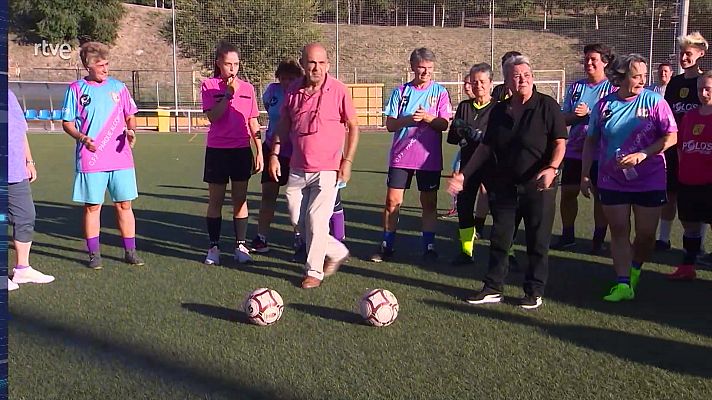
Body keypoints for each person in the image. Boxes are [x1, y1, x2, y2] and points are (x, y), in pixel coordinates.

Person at [449, 55, 567, 309]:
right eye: (516, 76)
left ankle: (534, 291)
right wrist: (463, 174)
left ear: (532, 77)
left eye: (526, 74)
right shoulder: (501, 110)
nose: (522, 79)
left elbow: (560, 143)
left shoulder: (547, 106)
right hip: (505, 187)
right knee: (500, 239)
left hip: (539, 187)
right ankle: (493, 288)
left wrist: (552, 168)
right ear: (508, 81)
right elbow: (484, 147)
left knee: (537, 241)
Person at [581, 54, 677, 302]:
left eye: (644, 75)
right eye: (636, 76)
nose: (642, 81)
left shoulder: (655, 101)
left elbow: (671, 137)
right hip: (611, 179)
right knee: (620, 229)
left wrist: (642, 154)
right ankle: (623, 282)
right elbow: (591, 141)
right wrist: (584, 174)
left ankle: (635, 268)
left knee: (646, 234)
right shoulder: (604, 106)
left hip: (650, 178)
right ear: (621, 77)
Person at [269, 43, 359, 289]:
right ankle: (337, 250)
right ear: (303, 65)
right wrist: (275, 154)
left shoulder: (339, 90)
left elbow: (353, 126)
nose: (316, 68)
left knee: (316, 220)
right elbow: (284, 124)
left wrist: (347, 161)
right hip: (298, 168)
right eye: (311, 63)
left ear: (328, 64)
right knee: (298, 220)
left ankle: (314, 271)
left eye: (321, 63)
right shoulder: (294, 91)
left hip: (327, 168)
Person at [61, 41, 144, 269]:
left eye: (107, 64)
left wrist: (131, 131)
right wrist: (82, 138)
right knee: (92, 207)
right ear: (88, 66)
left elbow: (131, 115)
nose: (106, 69)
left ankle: (130, 251)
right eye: (100, 65)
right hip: (92, 158)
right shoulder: (76, 89)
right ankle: (94, 254)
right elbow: (67, 122)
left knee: (124, 205)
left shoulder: (119, 87)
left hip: (120, 157)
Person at [370, 48, 451, 263]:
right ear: (413, 67)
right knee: (392, 202)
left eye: (430, 68)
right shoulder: (400, 92)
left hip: (428, 158)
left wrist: (427, 117)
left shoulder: (440, 93)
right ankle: (387, 244)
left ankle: (429, 245)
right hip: (401, 157)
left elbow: (443, 124)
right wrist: (409, 120)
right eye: (422, 67)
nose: (426, 72)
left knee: (429, 203)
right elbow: (390, 125)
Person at [200, 41, 263, 265]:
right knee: (215, 200)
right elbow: (213, 117)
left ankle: (240, 245)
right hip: (217, 151)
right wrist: (227, 95)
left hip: (241, 151)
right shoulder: (208, 85)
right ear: (219, 63)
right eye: (228, 64)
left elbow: (253, 122)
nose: (233, 69)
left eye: (236, 64)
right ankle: (214, 247)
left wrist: (260, 152)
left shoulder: (248, 88)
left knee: (240, 199)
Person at [553, 43, 615, 254]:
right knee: (568, 192)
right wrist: (576, 116)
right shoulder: (576, 88)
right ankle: (567, 235)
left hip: (601, 151)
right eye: (586, 59)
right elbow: (563, 118)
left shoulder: (612, 89)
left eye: (593, 59)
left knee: (599, 195)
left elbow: (615, 119)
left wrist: (592, 115)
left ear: (605, 63)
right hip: (575, 149)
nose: (588, 63)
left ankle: (598, 239)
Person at [658, 32, 708, 251]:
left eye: (688, 53)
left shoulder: (705, 82)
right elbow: (667, 114)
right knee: (669, 193)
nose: (684, 57)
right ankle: (663, 239)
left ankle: (699, 246)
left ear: (701, 54)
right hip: (673, 146)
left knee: (702, 197)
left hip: (698, 150)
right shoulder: (675, 82)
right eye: (682, 53)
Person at [250, 59, 304, 254]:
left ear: (299, 78)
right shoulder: (272, 91)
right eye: (283, 78)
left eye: (291, 78)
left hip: (295, 152)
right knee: (268, 195)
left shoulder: (302, 93)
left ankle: (300, 236)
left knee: (295, 198)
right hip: (271, 148)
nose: (287, 82)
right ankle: (261, 237)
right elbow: (270, 110)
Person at [446, 63, 497, 265]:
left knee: (500, 209)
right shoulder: (465, 107)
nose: (478, 86)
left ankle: (507, 253)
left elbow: (500, 139)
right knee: (465, 207)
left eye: (483, 82)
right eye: (474, 82)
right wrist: (459, 130)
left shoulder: (498, 108)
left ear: (491, 83)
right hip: (468, 167)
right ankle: (467, 251)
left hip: (492, 166)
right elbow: (451, 138)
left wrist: (479, 136)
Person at [7, 89, 55, 291]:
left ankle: (22, 269)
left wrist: (29, 160)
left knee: (26, 216)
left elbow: (20, 130)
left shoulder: (8, 94)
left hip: (16, 169)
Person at [666, 70, 712, 280]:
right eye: (701, 88)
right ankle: (687, 267)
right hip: (688, 181)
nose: (703, 93)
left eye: (708, 89)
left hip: (709, 182)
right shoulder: (689, 117)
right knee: (690, 225)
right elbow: (681, 148)